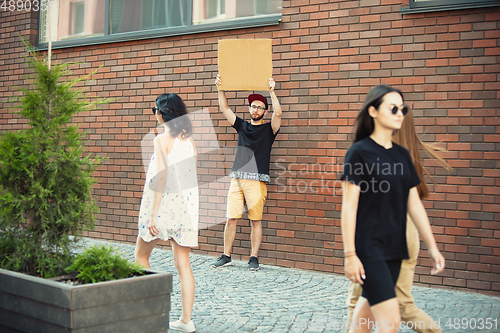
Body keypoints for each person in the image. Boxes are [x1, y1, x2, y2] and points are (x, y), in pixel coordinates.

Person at [340, 85, 445, 333]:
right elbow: (349, 206)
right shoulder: (359, 153)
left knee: (364, 313)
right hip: (369, 247)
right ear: (373, 111)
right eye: (393, 108)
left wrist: (432, 246)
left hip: (396, 247)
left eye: (403, 109)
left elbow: (414, 203)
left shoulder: (402, 155)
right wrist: (350, 254)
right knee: (391, 322)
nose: (400, 113)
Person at [134, 93, 198, 333]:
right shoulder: (188, 140)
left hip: (163, 205)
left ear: (164, 113)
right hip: (185, 207)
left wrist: (152, 214)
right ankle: (186, 320)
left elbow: (161, 178)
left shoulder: (161, 139)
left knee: (141, 256)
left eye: (155, 109)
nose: (154, 114)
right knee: (183, 263)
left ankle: (149, 312)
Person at [212, 74, 282, 271]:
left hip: (257, 181)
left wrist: (272, 91)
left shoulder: (270, 130)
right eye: (253, 106)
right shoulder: (242, 126)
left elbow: (278, 114)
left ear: (264, 111)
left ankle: (254, 257)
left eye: (260, 107)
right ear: (249, 109)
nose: (256, 109)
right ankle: (226, 256)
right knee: (231, 218)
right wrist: (220, 88)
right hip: (237, 179)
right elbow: (224, 109)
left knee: (255, 220)